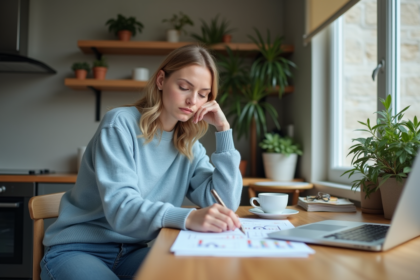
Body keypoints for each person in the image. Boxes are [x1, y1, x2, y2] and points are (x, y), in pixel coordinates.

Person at [40, 45, 243, 280]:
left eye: (203, 94)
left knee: (192, 273)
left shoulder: (190, 146)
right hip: (79, 250)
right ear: (160, 80)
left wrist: (223, 130)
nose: (192, 100)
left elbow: (225, 203)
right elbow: (121, 209)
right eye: (184, 87)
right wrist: (186, 218)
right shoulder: (120, 124)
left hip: (134, 253)